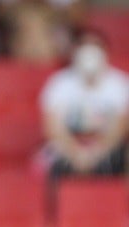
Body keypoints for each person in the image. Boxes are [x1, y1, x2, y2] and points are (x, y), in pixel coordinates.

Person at [41, 29, 129, 178]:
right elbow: (53, 128)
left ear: (105, 51)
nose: (90, 50)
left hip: (110, 150)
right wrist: (76, 154)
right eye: (84, 45)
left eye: (95, 45)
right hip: (66, 151)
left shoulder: (120, 83)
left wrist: (96, 153)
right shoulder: (58, 83)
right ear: (75, 50)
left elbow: (121, 128)